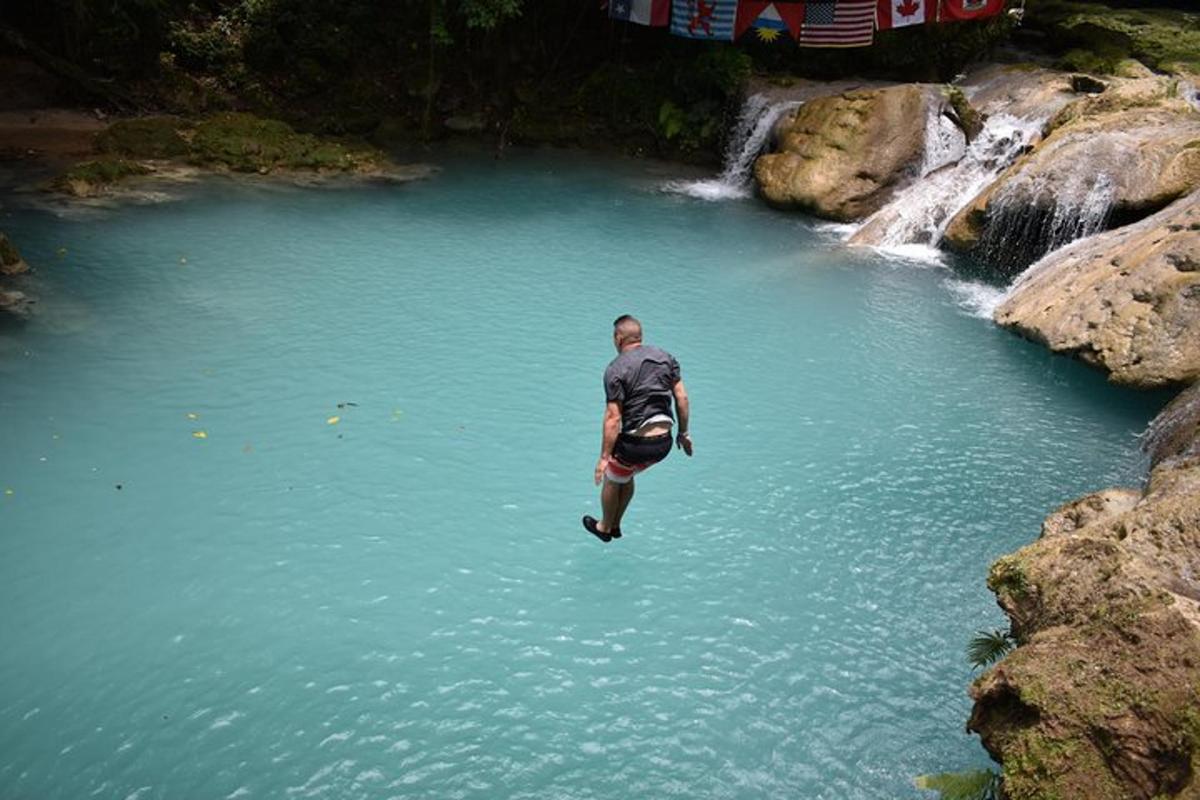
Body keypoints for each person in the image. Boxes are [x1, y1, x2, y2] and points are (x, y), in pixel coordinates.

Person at [583, 315, 692, 543]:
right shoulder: (666, 358)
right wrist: (683, 433)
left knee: (612, 475)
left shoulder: (615, 369)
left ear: (618, 338)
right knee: (626, 474)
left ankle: (604, 526)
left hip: (635, 446)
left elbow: (613, 418)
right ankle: (616, 526)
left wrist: (603, 457)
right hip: (663, 445)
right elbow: (682, 397)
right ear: (639, 336)